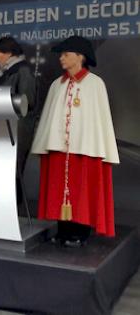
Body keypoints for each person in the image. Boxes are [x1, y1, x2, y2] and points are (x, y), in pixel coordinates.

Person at [31, 36, 118, 247]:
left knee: (82, 191)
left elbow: (99, 121)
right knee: (59, 189)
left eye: (66, 54)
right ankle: (63, 232)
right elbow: (50, 117)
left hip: (85, 149)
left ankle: (80, 232)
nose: (61, 58)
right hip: (60, 149)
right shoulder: (56, 85)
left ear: (80, 57)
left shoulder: (95, 84)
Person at [0, 36, 37, 207]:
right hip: (5, 130)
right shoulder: (8, 72)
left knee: (13, 176)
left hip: (17, 132)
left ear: (9, 53)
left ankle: (13, 216)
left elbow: (27, 101)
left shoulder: (23, 71)